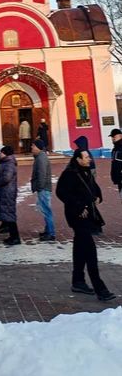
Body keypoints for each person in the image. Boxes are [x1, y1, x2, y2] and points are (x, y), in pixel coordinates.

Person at [56, 149, 115, 302]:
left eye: (89, 156)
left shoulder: (86, 171)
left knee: (80, 248)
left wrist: (98, 197)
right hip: (77, 216)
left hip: (88, 215)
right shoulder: (69, 174)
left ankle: (78, 281)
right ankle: (100, 288)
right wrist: (79, 206)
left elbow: (94, 188)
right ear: (77, 159)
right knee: (90, 251)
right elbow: (61, 193)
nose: (89, 159)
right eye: (86, 157)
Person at [0, 145, 21, 246]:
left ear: (5, 153)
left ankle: (15, 237)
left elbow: (6, 178)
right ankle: (12, 236)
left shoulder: (9, 164)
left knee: (10, 215)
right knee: (8, 214)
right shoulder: (6, 162)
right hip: (5, 192)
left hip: (7, 192)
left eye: (1, 152)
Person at [31, 139, 55, 241]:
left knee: (46, 211)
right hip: (44, 188)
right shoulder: (40, 157)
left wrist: (39, 187)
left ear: (37, 147)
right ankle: (48, 230)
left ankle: (51, 233)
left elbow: (42, 174)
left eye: (33, 146)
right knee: (45, 211)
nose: (31, 148)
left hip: (44, 189)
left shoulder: (41, 158)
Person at [109, 128, 122, 200]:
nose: (113, 138)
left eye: (114, 136)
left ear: (120, 136)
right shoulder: (115, 149)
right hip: (119, 180)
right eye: (112, 137)